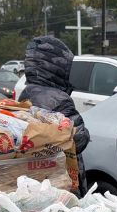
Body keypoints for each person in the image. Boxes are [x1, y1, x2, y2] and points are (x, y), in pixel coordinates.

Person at [18, 35, 90, 196]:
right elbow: (79, 139)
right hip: (62, 176)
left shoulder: (26, 93)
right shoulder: (59, 100)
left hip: (38, 174)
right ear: (57, 68)